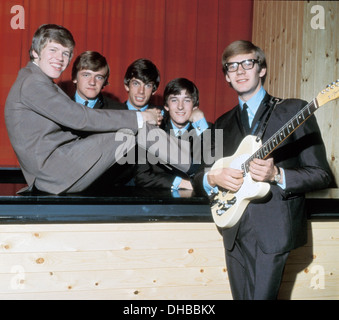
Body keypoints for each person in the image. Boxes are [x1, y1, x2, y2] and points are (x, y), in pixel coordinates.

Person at [193, 40, 333, 299]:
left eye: (248, 63)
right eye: (232, 67)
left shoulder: (293, 110)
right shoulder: (222, 123)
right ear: (226, 76)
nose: (240, 71)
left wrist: (276, 175)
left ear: (262, 69)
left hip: (273, 230)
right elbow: (201, 174)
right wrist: (213, 177)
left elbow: (322, 174)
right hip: (233, 229)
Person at [4, 24, 191, 195]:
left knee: (133, 127)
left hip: (55, 169)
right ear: (36, 52)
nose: (60, 59)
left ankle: (195, 165)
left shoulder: (35, 80)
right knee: (135, 127)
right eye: (53, 50)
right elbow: (79, 118)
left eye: (65, 53)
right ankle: (197, 169)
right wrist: (140, 117)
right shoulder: (32, 83)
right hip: (54, 171)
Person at [135, 78, 209, 191]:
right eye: (174, 100)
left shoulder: (205, 129)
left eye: (187, 100)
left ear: (195, 106)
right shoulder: (152, 131)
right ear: (166, 106)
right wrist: (183, 183)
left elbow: (214, 167)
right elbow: (142, 176)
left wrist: (202, 126)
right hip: (160, 200)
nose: (180, 106)